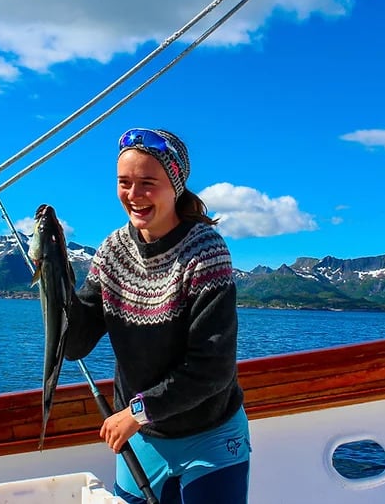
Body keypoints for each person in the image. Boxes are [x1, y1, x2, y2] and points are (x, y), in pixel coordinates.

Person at [64, 127, 251, 504]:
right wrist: (54, 283)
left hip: (209, 435)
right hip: (145, 441)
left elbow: (213, 368)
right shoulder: (112, 252)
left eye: (148, 182)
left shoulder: (206, 252)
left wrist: (137, 412)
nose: (134, 195)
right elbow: (74, 345)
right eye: (124, 183)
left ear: (175, 185)